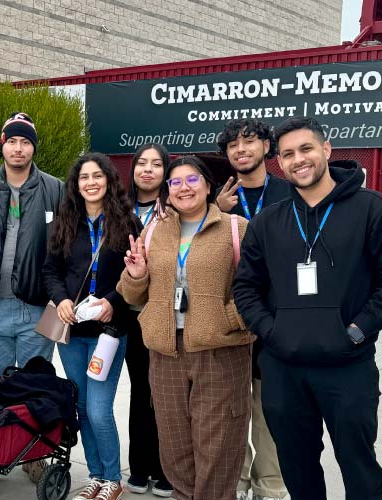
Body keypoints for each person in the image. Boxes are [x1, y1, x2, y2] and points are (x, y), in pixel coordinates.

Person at [233, 117, 382, 500]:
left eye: (306, 149)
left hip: (348, 368)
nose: (298, 160)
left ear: (327, 150)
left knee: (358, 464)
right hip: (283, 370)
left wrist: (357, 330)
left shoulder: (375, 211)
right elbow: (246, 287)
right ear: (278, 162)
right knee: (297, 467)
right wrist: (271, 331)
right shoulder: (269, 221)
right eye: (288, 154)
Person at [118, 155, 252, 500]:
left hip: (220, 351)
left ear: (209, 186)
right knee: (175, 442)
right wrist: (135, 276)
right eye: (175, 182)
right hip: (165, 352)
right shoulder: (155, 231)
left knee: (217, 443)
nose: (183, 188)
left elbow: (259, 290)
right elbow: (132, 292)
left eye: (192, 180)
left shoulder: (236, 229)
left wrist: (229, 321)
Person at [44, 153, 139, 500]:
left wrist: (113, 301)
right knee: (82, 407)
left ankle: (113, 478)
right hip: (70, 332)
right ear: (75, 184)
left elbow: (136, 274)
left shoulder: (127, 223)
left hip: (108, 334)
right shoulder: (64, 221)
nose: (91, 183)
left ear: (109, 180)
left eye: (97, 176)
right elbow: (50, 271)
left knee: (99, 409)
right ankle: (96, 476)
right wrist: (61, 299)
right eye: (84, 177)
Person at [214, 119, 291, 500]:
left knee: (269, 411)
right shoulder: (217, 195)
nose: (240, 150)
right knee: (230, 411)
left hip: (275, 319)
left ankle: (270, 486)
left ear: (266, 147)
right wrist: (216, 210)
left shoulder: (289, 193)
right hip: (228, 316)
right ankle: (236, 480)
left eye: (249, 142)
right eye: (232, 145)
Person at [0, 112, 65, 378]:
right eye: (12, 141)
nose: (18, 148)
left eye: (26, 142)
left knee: (36, 389)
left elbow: (68, 247)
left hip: (38, 307)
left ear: (34, 146)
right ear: (2, 143)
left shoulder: (56, 190)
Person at [123, 144, 173, 498]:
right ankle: (140, 468)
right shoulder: (119, 209)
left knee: (168, 395)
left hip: (168, 314)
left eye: (157, 164)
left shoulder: (175, 209)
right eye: (142, 163)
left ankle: (167, 470)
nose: (148, 170)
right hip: (130, 315)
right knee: (142, 392)